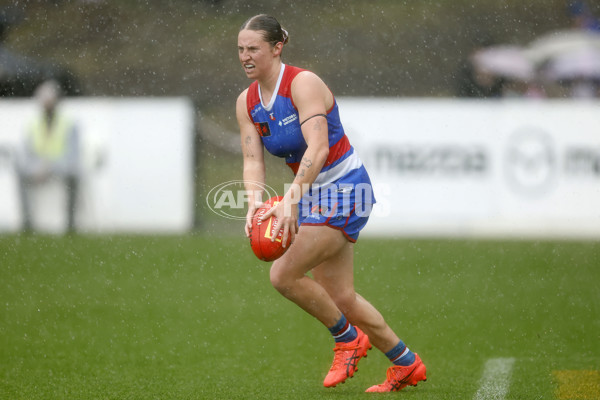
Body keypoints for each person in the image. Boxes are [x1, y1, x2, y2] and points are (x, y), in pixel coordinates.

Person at [236, 14, 427, 392]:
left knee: (283, 275)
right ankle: (406, 363)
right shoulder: (247, 102)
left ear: (277, 48)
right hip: (312, 193)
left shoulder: (303, 83)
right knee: (341, 297)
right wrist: (255, 206)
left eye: (253, 48)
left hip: (346, 188)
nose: (245, 56)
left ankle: (347, 339)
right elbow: (252, 159)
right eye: (240, 49)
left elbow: (319, 147)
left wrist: (291, 199)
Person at [16, 79, 80, 233]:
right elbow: (27, 153)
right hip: (38, 167)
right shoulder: (33, 124)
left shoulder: (68, 123)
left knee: (74, 177)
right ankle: (27, 222)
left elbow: (72, 156)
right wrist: (38, 167)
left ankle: (70, 223)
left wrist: (49, 166)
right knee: (20, 174)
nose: (47, 103)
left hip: (60, 167)